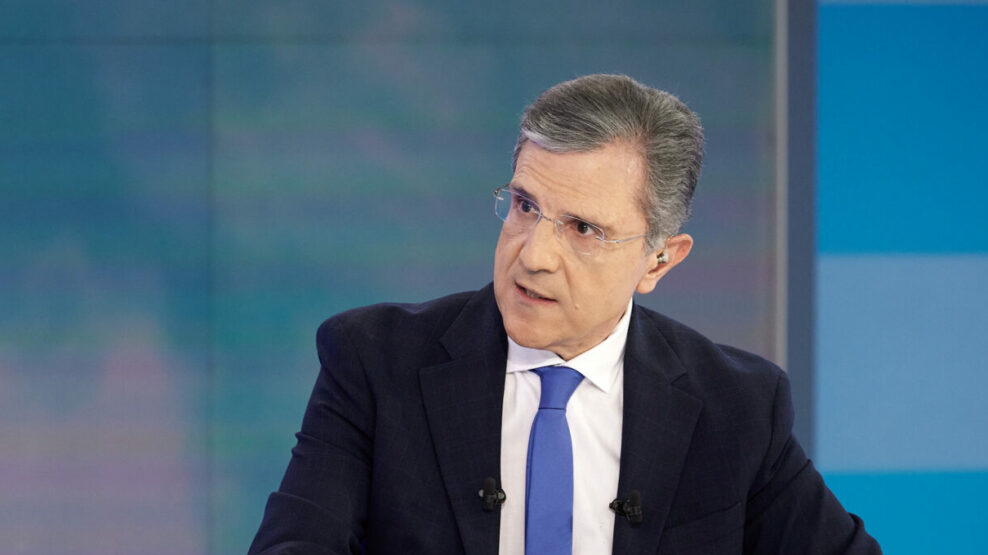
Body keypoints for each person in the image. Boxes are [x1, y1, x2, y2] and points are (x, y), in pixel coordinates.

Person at [248, 74, 880, 554]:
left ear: (659, 260)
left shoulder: (736, 407)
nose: (534, 256)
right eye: (525, 206)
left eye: (583, 229)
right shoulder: (374, 363)